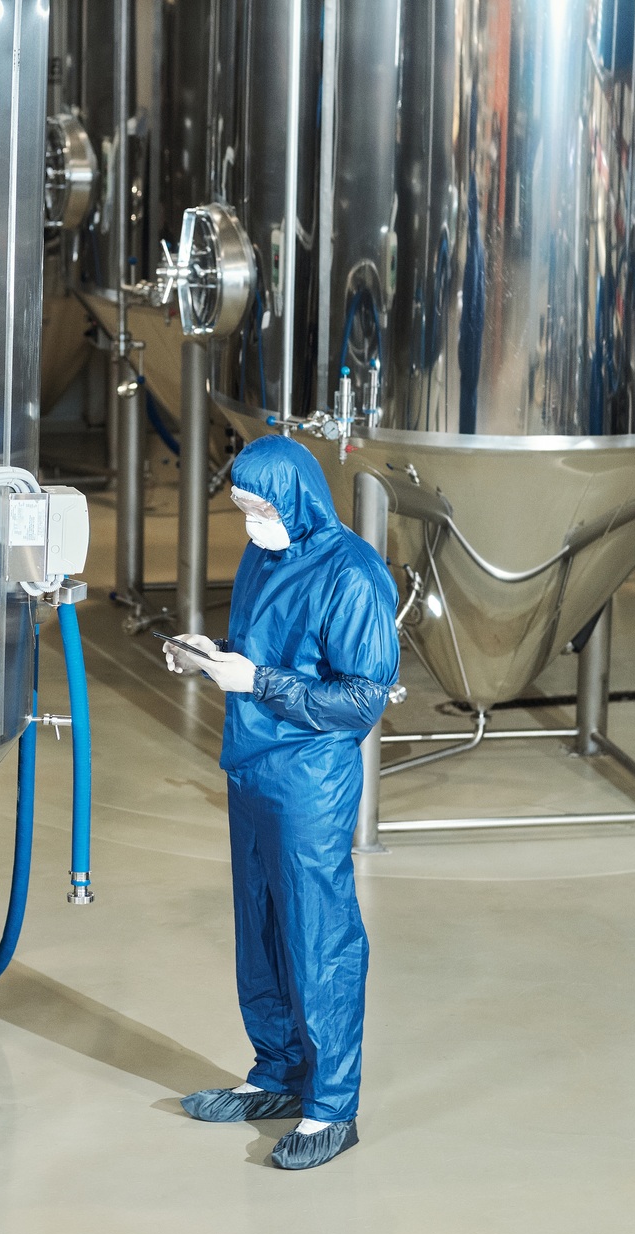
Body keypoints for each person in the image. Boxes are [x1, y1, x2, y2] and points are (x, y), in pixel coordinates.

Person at [163, 434, 400, 1170]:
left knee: (317, 933)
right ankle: (278, 1073)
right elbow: (264, 646)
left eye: (262, 509)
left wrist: (258, 683)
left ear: (298, 499)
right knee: (260, 927)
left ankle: (331, 1106)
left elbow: (360, 700)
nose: (252, 522)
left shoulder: (354, 574)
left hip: (309, 779)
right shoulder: (263, 555)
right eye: (243, 507)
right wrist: (211, 655)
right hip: (250, 763)